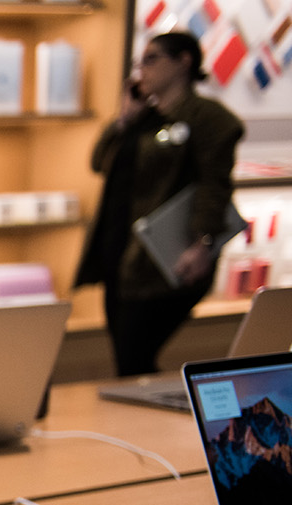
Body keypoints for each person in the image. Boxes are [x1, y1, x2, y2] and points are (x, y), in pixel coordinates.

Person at [75, 31, 243, 377]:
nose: (142, 71)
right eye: (140, 62)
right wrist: (125, 118)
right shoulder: (143, 119)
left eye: (151, 60)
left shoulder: (206, 118)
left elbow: (215, 184)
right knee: (127, 358)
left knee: (135, 354)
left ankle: (151, 423)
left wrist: (203, 244)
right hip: (120, 253)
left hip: (163, 259)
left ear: (183, 62)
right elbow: (98, 162)